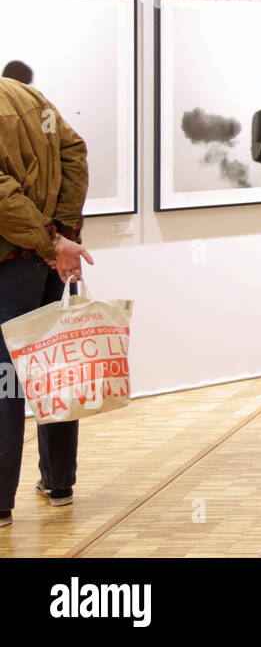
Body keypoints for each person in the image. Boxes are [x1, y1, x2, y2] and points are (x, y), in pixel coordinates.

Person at [0, 77, 95, 529]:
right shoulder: (27, 94)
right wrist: (64, 235)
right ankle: (59, 483)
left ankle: (0, 501)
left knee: (5, 382)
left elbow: (1, 196)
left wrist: (50, 238)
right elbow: (74, 151)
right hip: (46, 260)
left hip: (11, 262)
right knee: (52, 366)